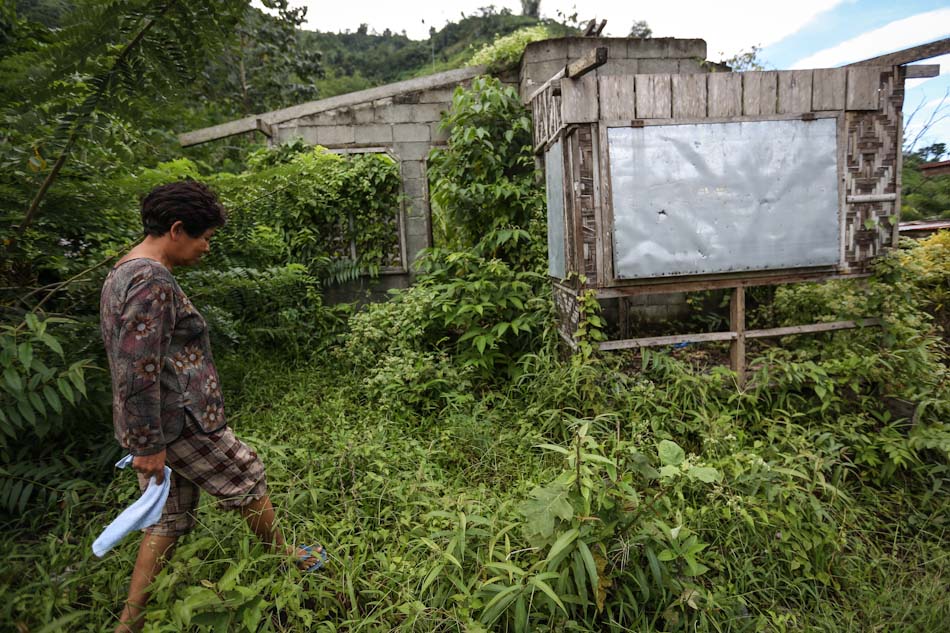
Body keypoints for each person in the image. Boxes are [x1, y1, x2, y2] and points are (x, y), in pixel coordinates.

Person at [99, 181, 324, 632]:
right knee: (245, 473)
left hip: (163, 423)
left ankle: (130, 623)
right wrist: (148, 443)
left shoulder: (124, 270)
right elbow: (138, 367)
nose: (206, 247)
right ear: (177, 229)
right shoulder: (151, 280)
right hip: (180, 419)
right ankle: (288, 557)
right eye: (204, 237)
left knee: (168, 517)